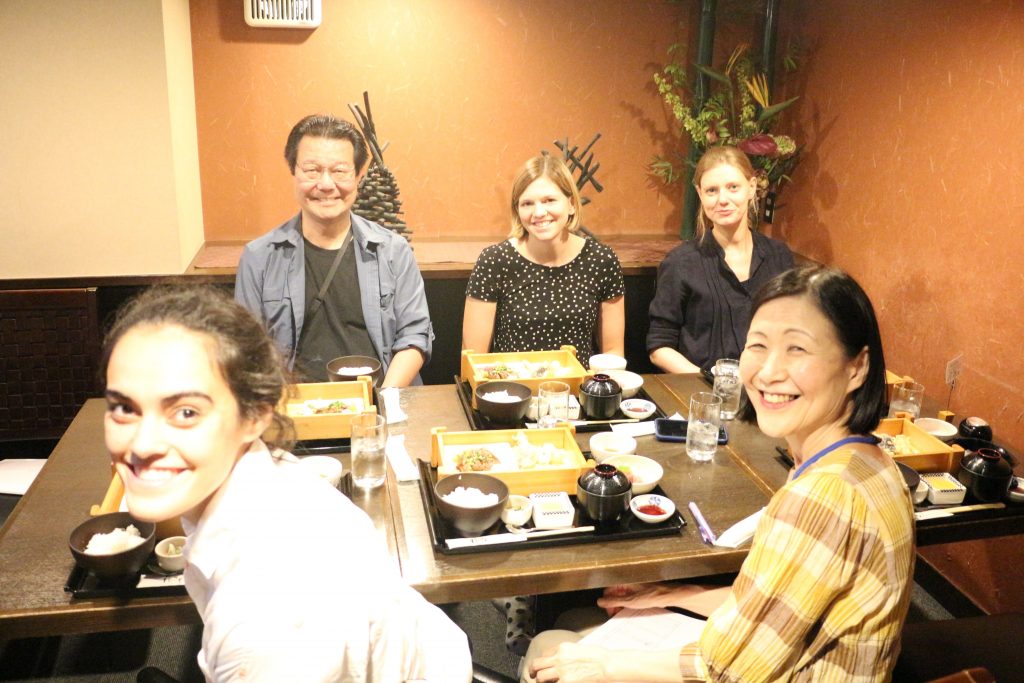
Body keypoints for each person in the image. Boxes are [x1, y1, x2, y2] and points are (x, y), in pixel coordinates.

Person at [526, 265, 915, 682]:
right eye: (758, 345)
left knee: (549, 651)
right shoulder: (870, 460)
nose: (769, 371)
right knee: (573, 628)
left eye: (798, 349)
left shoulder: (823, 496)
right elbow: (778, 605)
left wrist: (605, 665)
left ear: (857, 367)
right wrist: (676, 593)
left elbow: (724, 670)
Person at [102, 285, 471, 682]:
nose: (142, 444)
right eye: (124, 407)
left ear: (255, 416)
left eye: (186, 412)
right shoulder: (270, 470)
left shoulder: (264, 624)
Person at [235, 114, 432, 387]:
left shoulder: (393, 251)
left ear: (358, 177)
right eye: (312, 170)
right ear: (293, 172)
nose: (326, 184)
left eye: (339, 171)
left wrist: (384, 398)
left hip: (380, 398)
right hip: (297, 405)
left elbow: (415, 335)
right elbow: (246, 350)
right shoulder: (259, 258)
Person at [462, 154, 625, 363]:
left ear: (571, 204)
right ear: (517, 210)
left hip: (580, 383)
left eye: (549, 200)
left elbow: (613, 353)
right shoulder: (494, 261)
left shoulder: (601, 260)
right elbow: (473, 360)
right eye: (527, 203)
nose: (539, 212)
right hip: (513, 383)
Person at [647, 146, 794, 374]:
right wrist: (710, 383)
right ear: (700, 194)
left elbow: (794, 331)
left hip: (768, 385)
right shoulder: (680, 263)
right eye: (712, 190)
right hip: (701, 390)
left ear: (752, 187)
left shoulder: (779, 257)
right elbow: (659, 346)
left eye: (733, 187)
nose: (722, 200)